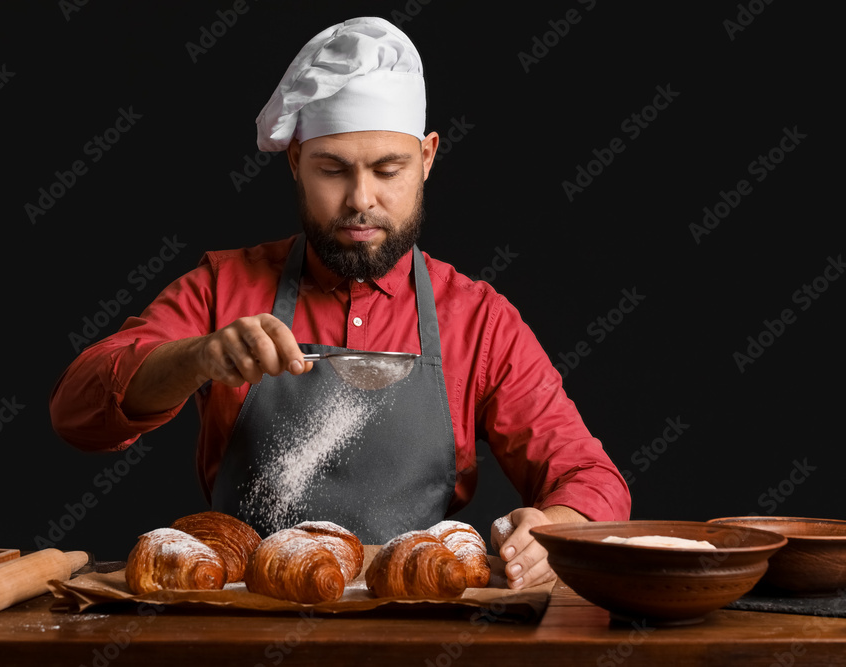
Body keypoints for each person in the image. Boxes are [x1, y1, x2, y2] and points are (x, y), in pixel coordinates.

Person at [49, 16, 630, 590]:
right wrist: (198, 358)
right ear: (296, 162)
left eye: (388, 169)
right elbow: (77, 415)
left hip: (418, 623)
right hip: (241, 621)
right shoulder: (221, 288)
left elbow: (590, 476)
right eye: (332, 170)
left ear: (426, 159)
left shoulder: (479, 321)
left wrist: (559, 523)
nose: (360, 200)